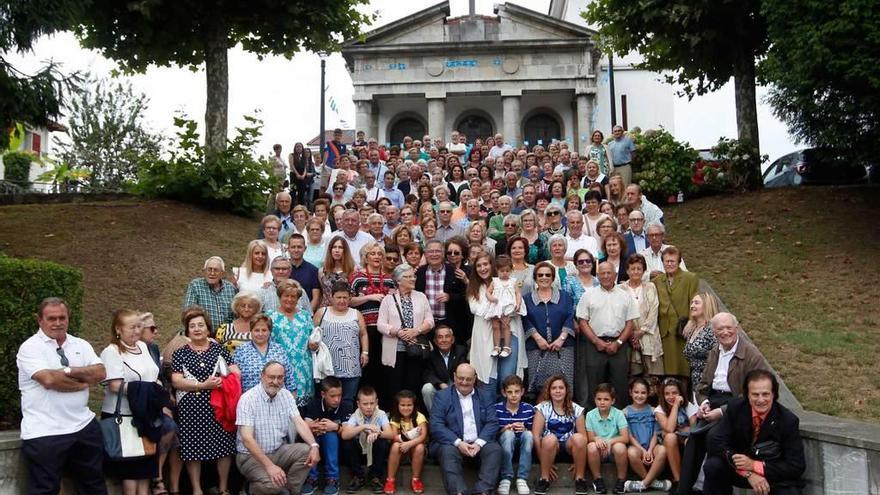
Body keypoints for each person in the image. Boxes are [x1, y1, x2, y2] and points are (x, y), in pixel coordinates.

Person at [18, 297, 108, 494]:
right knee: (45, 489)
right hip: (45, 432)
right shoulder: (30, 347)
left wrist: (67, 372)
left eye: (62, 317)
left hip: (84, 427)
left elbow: (101, 372)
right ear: (39, 320)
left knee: (94, 486)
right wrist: (82, 380)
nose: (57, 323)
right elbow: (49, 380)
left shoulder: (80, 344)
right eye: (51, 318)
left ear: (68, 318)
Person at [679, 312, 771, 495]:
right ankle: (686, 490)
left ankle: (710, 489)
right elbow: (702, 385)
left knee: (714, 437)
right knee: (693, 439)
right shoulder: (714, 351)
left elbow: (759, 391)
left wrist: (722, 411)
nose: (725, 332)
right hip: (713, 401)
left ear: (736, 329)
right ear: (714, 332)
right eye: (720, 329)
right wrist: (704, 402)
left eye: (729, 328)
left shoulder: (751, 354)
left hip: (738, 406)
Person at [702, 370, 806, 495]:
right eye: (755, 394)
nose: (761, 400)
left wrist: (754, 466)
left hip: (771, 473)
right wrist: (747, 472)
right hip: (740, 469)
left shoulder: (788, 420)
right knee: (712, 466)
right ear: (747, 395)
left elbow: (796, 466)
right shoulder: (736, 408)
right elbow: (714, 440)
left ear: (774, 394)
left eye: (765, 394)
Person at [171, 306, 240, 495]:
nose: (197, 329)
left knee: (223, 447)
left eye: (201, 325)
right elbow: (176, 381)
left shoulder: (220, 350)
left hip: (218, 406)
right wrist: (202, 385)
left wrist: (223, 381)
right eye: (192, 326)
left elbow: (235, 373)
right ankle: (196, 489)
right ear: (187, 331)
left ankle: (224, 488)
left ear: (208, 328)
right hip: (191, 407)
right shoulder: (180, 353)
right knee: (193, 448)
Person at [100, 309, 163, 495]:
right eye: (131, 327)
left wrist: (155, 388)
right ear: (118, 329)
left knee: (146, 467)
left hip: (147, 416)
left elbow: (153, 375)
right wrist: (149, 390)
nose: (136, 331)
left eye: (138, 326)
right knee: (131, 471)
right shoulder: (111, 352)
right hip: (125, 417)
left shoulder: (143, 347)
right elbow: (115, 385)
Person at [235, 361, 321, 495]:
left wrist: (315, 445)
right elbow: (246, 439)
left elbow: (299, 422)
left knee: (307, 451)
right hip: (250, 457)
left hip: (278, 451)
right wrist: (269, 466)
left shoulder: (286, 395)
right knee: (273, 486)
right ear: (262, 376)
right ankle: (249, 489)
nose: (275, 381)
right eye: (271, 377)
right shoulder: (248, 399)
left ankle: (289, 491)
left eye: (280, 377)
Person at [428, 362, 503, 495]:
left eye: (468, 379)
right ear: (454, 377)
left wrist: (479, 443)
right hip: (454, 444)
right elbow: (436, 425)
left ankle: (482, 491)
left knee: (494, 449)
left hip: (478, 443)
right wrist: (458, 443)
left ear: (474, 379)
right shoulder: (442, 396)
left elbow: (492, 422)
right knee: (447, 451)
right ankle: (458, 492)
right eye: (461, 378)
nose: (464, 382)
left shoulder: (485, 396)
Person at [576, 262, 640, 409]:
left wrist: (618, 343)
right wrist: (596, 341)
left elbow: (630, 323)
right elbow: (582, 321)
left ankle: (619, 421)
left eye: (608, 273)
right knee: (595, 384)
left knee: (620, 384)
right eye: (602, 273)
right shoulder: (588, 295)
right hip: (594, 346)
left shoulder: (625, 296)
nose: (605, 276)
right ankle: (594, 422)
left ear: (615, 275)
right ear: (597, 276)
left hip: (619, 346)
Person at [376, 263, 435, 410]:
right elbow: (380, 324)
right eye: (408, 276)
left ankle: (414, 418)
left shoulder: (421, 297)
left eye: (413, 276)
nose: (412, 279)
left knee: (413, 385)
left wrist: (417, 330)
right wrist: (398, 332)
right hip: (395, 350)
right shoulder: (388, 300)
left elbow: (430, 321)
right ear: (398, 280)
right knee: (394, 386)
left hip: (415, 349)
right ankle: (395, 418)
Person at [467, 253, 526, 390]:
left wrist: (509, 312)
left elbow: (519, 304)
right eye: (479, 266)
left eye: (485, 264)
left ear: (493, 266)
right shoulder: (475, 288)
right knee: (488, 379)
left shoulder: (509, 282)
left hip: (509, 333)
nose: (482, 268)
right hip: (485, 336)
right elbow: (476, 309)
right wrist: (500, 311)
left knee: (508, 379)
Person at [522, 262, 576, 396]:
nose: (544, 277)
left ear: (553, 278)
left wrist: (561, 339)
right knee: (539, 388)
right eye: (540, 275)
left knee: (563, 386)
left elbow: (570, 316)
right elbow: (525, 319)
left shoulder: (565, 297)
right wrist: (538, 338)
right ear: (535, 278)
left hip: (563, 349)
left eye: (548, 275)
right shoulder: (527, 299)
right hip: (536, 348)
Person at [313, 280, 368, 412]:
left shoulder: (356, 314)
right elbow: (313, 333)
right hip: (327, 366)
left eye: (345, 297)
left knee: (348, 399)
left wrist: (365, 352)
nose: (342, 301)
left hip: (351, 365)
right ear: (331, 297)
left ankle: (346, 426)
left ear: (349, 298)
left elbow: (363, 334)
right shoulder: (322, 312)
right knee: (327, 398)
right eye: (338, 297)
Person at [349, 242, 397, 391]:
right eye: (373, 253)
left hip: (385, 329)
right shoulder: (357, 277)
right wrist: (369, 297)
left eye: (379, 254)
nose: (377, 256)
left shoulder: (389, 279)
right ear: (366, 257)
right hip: (365, 329)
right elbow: (349, 301)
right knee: (367, 366)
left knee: (384, 368)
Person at [532, 375, 588, 495]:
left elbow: (584, 437)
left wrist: (578, 461)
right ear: (549, 390)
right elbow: (536, 436)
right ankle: (544, 479)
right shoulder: (542, 408)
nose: (557, 391)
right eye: (554, 388)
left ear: (566, 390)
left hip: (569, 447)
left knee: (579, 438)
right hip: (549, 449)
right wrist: (542, 460)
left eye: (561, 388)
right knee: (550, 439)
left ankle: (580, 479)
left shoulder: (576, 408)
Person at [654, 246, 699, 382]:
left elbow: (695, 301)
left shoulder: (690, 278)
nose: (669, 264)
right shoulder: (657, 281)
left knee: (683, 369)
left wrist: (692, 321)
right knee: (668, 371)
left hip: (683, 330)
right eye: (667, 261)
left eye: (673, 261)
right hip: (665, 331)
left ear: (679, 262)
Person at [267, 279, 315, 407]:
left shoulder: (305, 316)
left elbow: (313, 336)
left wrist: (314, 343)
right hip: (282, 367)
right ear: (279, 296)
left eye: (293, 296)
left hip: (304, 366)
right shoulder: (270, 316)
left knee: (304, 408)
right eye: (286, 296)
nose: (289, 299)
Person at [303, 377, 352, 495]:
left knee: (331, 436)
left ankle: (333, 479)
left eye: (339, 395)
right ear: (323, 394)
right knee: (311, 436)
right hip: (317, 440)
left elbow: (348, 430)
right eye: (333, 396)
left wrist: (335, 427)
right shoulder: (314, 404)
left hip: (337, 444)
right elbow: (305, 424)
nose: (337, 399)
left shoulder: (346, 406)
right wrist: (315, 427)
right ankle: (311, 478)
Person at [621, 254, 664, 386]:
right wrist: (631, 334)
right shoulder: (620, 289)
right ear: (627, 270)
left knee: (653, 380)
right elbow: (620, 313)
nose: (636, 272)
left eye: (639, 269)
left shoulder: (650, 287)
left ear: (644, 270)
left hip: (649, 337)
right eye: (632, 269)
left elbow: (654, 310)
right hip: (630, 339)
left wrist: (642, 331)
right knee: (635, 378)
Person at [340, 386, 392, 494]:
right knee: (347, 442)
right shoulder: (356, 415)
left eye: (372, 403)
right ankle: (359, 476)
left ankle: (374, 477)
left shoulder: (381, 414)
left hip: (374, 451)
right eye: (365, 404)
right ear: (358, 404)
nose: (369, 407)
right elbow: (344, 435)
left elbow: (390, 434)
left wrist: (378, 433)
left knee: (383, 443)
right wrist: (364, 427)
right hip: (360, 451)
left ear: (376, 402)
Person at [623, 378, 671, 493]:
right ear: (630, 392)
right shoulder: (625, 412)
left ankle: (644, 484)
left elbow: (655, 433)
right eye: (636, 392)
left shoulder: (653, 411)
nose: (639, 396)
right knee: (631, 452)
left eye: (643, 393)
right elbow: (629, 435)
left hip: (652, 446)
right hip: (636, 447)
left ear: (648, 393)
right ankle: (652, 482)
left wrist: (649, 450)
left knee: (663, 450)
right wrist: (643, 451)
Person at [585, 383, 630, 495]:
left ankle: (621, 480)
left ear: (613, 401)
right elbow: (590, 437)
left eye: (606, 399)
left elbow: (625, 438)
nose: (602, 402)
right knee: (591, 446)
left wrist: (609, 441)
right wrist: (597, 439)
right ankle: (597, 479)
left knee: (620, 447)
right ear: (595, 400)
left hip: (613, 451)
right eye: (599, 399)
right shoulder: (590, 415)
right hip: (598, 451)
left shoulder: (618, 414)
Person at [234, 314, 295, 394]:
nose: (260, 334)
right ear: (251, 331)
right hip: (251, 400)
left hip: (278, 398)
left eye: (264, 330)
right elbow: (236, 380)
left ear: (269, 331)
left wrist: (292, 400)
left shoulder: (279, 349)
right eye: (256, 330)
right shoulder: (241, 351)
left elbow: (289, 378)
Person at [654, 377, 697, 491]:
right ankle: (678, 480)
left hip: (686, 438)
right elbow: (669, 428)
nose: (671, 396)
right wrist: (676, 406)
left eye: (674, 393)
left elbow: (694, 428)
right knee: (670, 437)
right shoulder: (659, 410)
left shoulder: (689, 406)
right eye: (667, 393)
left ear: (680, 393)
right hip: (668, 440)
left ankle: (692, 480)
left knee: (691, 441)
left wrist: (685, 430)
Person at [479, 255, 526, 358]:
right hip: (496, 306)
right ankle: (496, 347)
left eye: (507, 271)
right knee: (495, 326)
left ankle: (506, 347)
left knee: (505, 325)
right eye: (502, 271)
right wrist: (491, 298)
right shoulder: (495, 281)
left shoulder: (513, 281)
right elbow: (488, 292)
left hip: (507, 307)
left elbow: (518, 293)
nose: (505, 273)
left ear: (511, 270)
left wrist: (518, 303)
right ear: (497, 270)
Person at [495, 375, 535, 495]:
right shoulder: (496, 409)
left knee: (528, 435)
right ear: (503, 393)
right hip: (505, 445)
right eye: (510, 392)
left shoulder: (529, 409)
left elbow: (535, 432)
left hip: (523, 445)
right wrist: (504, 429)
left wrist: (525, 428)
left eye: (517, 391)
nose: (513, 395)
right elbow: (492, 434)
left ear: (522, 392)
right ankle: (505, 478)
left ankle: (522, 478)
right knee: (508, 435)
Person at [385, 389, 429, 495]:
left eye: (409, 405)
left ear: (414, 405)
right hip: (401, 452)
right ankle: (390, 480)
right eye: (403, 405)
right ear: (398, 405)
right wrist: (408, 436)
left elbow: (423, 436)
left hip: (415, 451)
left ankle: (416, 480)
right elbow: (394, 437)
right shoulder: (395, 417)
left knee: (419, 446)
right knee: (395, 445)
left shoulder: (419, 416)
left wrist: (409, 443)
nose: (406, 408)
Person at [421, 325, 469, 413]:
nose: (444, 340)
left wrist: (455, 384)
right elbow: (428, 374)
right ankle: (435, 418)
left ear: (452, 339)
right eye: (440, 337)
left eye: (447, 336)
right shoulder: (431, 355)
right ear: (435, 341)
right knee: (427, 388)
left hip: (457, 384)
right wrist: (440, 384)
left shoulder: (460, 351)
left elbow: (462, 369)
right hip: (440, 386)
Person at [182, 256, 237, 332]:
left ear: (222, 273)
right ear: (204, 271)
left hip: (226, 336)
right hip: (202, 335)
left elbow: (235, 315)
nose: (212, 273)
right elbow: (189, 313)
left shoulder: (231, 288)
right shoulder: (195, 285)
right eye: (209, 269)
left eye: (216, 270)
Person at [682, 292, 721, 390]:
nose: (692, 305)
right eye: (692, 303)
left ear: (707, 305)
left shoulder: (712, 329)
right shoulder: (693, 329)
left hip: (710, 384)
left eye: (696, 303)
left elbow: (719, 355)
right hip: (695, 383)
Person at [215, 290, 262, 356]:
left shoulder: (261, 328)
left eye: (250, 306)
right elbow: (215, 351)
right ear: (236, 307)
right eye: (243, 306)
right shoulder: (224, 328)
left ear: (256, 309)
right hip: (230, 365)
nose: (246, 309)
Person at [319, 235, 356, 307]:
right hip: (326, 310)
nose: (337, 250)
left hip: (345, 309)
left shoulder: (353, 270)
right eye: (334, 247)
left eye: (340, 247)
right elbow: (323, 293)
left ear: (345, 251)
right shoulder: (322, 271)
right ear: (330, 250)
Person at [288, 234, 322, 313]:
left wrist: (306, 315)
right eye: (293, 247)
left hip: (306, 314)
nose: (296, 250)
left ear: (305, 248)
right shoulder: (282, 269)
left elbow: (316, 298)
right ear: (288, 248)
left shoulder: (313, 270)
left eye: (299, 247)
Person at [562, 249, 598, 315]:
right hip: (576, 322)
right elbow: (566, 305)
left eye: (588, 261)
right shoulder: (569, 281)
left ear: (592, 263)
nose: (585, 263)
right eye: (581, 262)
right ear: (576, 265)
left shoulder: (598, 282)